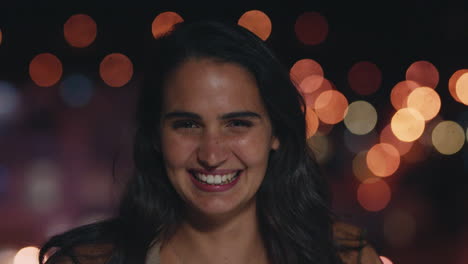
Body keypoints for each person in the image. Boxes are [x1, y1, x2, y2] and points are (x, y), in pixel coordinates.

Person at [40, 20, 382, 264]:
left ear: (276, 133)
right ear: (156, 135)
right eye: (187, 124)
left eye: (237, 124)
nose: (212, 154)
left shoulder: (345, 257)